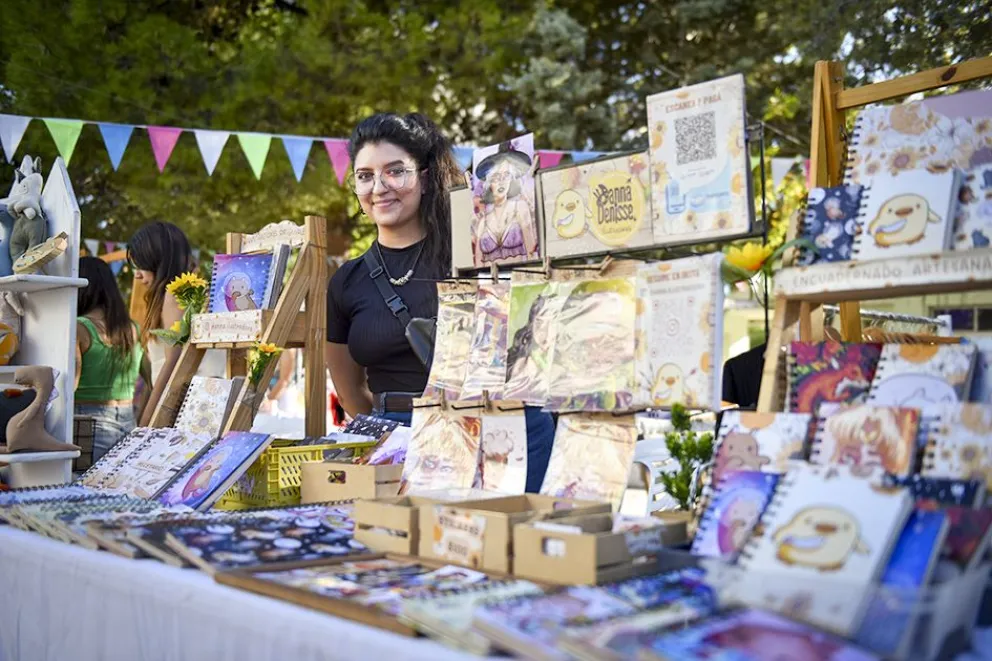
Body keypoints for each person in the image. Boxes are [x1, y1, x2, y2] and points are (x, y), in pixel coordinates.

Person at [325, 112, 556, 492]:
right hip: (398, 443)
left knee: (502, 546)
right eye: (365, 176)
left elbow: (530, 339)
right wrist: (403, 434)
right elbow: (350, 394)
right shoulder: (346, 281)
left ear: (426, 176)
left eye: (396, 171)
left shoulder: (477, 251)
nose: (379, 187)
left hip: (496, 436)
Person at [127, 221, 225, 426]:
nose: (137, 274)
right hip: (194, 401)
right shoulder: (189, 293)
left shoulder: (174, 295)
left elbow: (174, 361)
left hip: (184, 405)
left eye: (141, 266)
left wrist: (148, 420)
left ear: (158, 261)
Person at [74, 257, 151, 461]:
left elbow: (69, 386)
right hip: (128, 421)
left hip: (86, 423)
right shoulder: (133, 329)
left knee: (83, 488)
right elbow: (153, 382)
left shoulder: (78, 327)